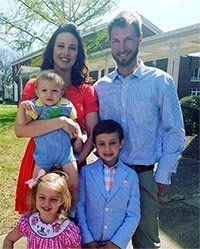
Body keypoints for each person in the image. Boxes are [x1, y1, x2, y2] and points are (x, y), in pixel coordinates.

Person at [94, 11, 185, 249]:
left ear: (140, 39)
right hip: (108, 176)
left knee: (145, 241)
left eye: (128, 40)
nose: (121, 47)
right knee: (108, 239)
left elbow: (174, 132)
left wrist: (162, 175)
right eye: (115, 40)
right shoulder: (100, 87)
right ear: (110, 43)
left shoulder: (160, 82)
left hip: (144, 175)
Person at [14, 22, 99, 214]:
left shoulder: (86, 90)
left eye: (72, 47)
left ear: (78, 54)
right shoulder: (35, 86)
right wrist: (61, 122)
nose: (66, 52)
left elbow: (94, 134)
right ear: (52, 49)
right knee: (38, 224)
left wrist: (75, 161)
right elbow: (21, 130)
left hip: (73, 163)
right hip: (39, 159)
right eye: (60, 45)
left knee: (70, 222)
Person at [16, 70, 83, 214]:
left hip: (65, 155)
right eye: (44, 90)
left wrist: (78, 138)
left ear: (61, 91)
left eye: (54, 91)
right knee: (37, 186)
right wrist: (22, 109)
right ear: (37, 92)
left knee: (75, 183)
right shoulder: (36, 106)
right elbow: (22, 125)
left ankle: (73, 212)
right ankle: (35, 213)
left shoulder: (67, 105)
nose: (49, 94)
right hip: (43, 157)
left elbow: (75, 123)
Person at [77, 119, 140, 249]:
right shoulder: (86, 172)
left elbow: (133, 214)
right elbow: (80, 207)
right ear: (94, 145)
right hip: (89, 243)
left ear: (121, 143)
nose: (107, 149)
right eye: (101, 144)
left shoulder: (131, 175)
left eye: (112, 143)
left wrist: (116, 243)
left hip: (115, 244)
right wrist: (87, 239)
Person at [3, 170, 81, 249]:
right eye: (42, 197)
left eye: (53, 199)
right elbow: (9, 240)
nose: (47, 203)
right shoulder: (28, 222)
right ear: (35, 196)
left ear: (62, 200)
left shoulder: (67, 230)